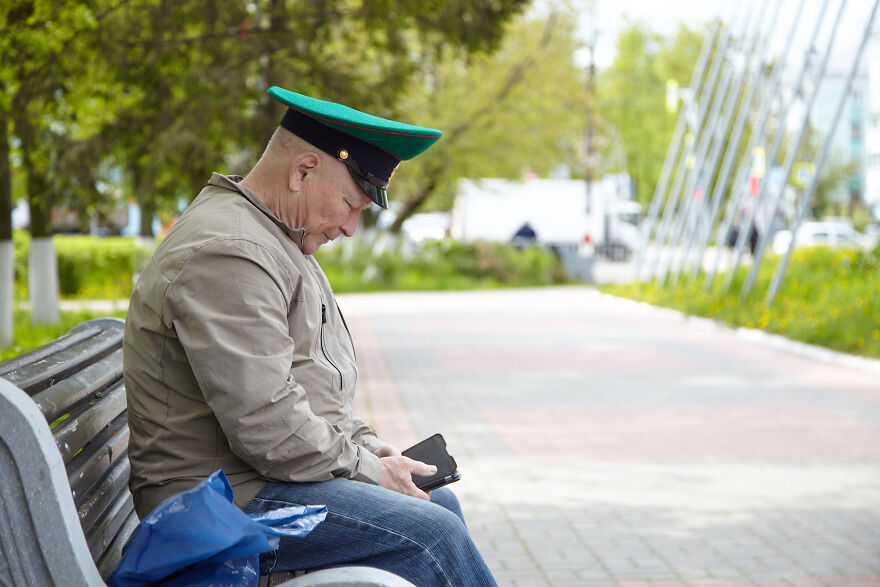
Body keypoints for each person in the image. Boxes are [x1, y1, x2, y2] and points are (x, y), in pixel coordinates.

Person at [122, 86, 497, 586]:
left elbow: (311, 388)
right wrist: (365, 469)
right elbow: (268, 426)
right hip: (214, 510)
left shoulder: (276, 239)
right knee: (432, 534)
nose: (350, 228)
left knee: (437, 501)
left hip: (253, 485)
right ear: (302, 171)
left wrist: (374, 451)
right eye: (351, 204)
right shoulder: (232, 251)